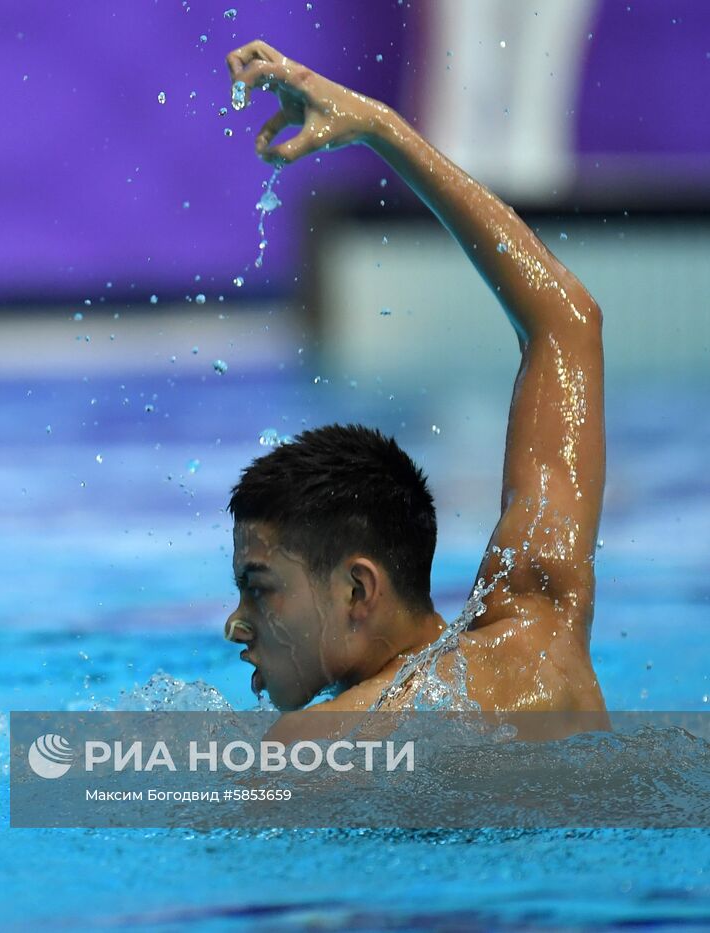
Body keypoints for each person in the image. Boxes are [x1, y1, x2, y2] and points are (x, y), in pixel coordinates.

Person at [219, 41, 607, 730]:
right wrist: (381, 127)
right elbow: (565, 322)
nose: (236, 624)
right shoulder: (540, 631)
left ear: (357, 589)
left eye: (261, 588)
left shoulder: (321, 748)